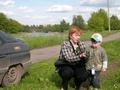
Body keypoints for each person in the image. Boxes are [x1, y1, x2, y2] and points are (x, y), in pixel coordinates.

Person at [55, 26, 88, 90]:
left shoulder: (81, 44)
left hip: (77, 65)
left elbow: (85, 54)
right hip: (66, 65)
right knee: (67, 73)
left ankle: (77, 84)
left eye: (79, 35)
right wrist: (80, 56)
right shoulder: (65, 44)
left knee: (84, 75)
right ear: (70, 36)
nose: (78, 37)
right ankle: (64, 85)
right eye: (76, 35)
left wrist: (86, 56)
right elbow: (68, 58)